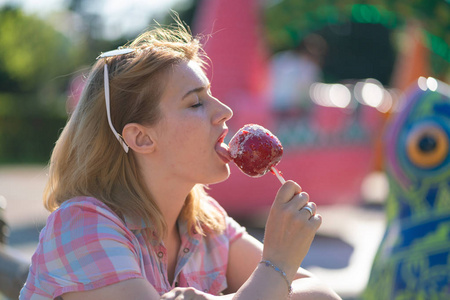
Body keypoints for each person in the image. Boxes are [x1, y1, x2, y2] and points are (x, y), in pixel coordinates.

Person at [19, 18, 341, 300]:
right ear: (141, 138)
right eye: (195, 103)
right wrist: (276, 267)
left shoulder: (206, 224)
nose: (225, 112)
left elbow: (324, 296)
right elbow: (280, 284)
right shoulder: (82, 227)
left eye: (210, 94)